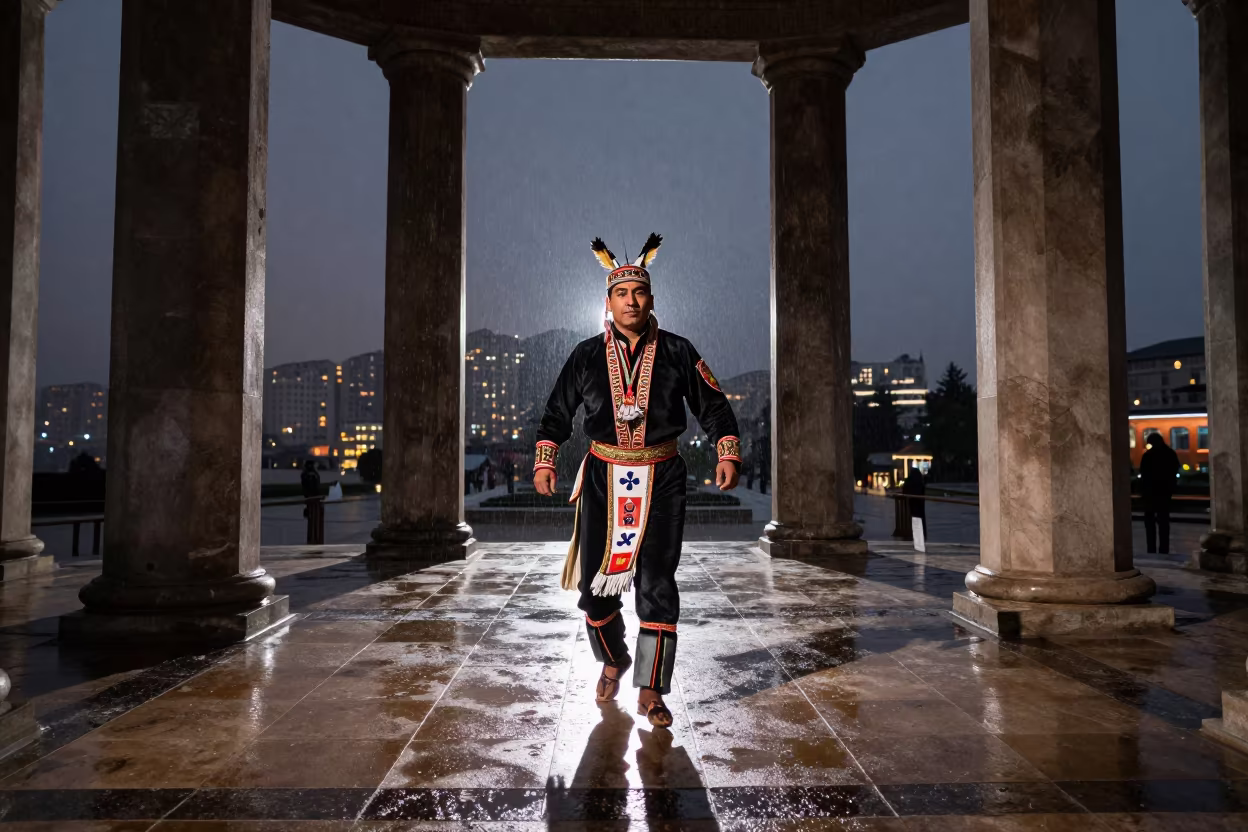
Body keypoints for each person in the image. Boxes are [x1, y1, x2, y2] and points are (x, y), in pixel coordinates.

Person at [533, 234, 740, 728]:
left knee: (657, 585)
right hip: (604, 476)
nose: (631, 301)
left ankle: (651, 689)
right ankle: (615, 658)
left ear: (651, 299)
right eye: (622, 294)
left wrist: (725, 448)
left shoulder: (677, 350)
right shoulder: (585, 355)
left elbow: (713, 406)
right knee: (596, 593)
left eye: (639, 293)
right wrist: (545, 458)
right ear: (608, 302)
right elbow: (557, 412)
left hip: (664, 475)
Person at [1139, 432, 1180, 554]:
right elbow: (1174, 471)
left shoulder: (1148, 456)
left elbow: (1143, 475)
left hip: (1150, 494)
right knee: (1163, 522)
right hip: (1164, 493)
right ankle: (1164, 549)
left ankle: (1151, 548)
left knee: (1150, 523)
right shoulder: (1170, 454)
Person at [901, 463, 927, 538]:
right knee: (920, 518)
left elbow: (905, 490)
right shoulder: (920, 482)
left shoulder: (909, 481)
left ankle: (913, 533)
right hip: (920, 503)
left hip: (911, 503)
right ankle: (922, 533)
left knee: (913, 517)